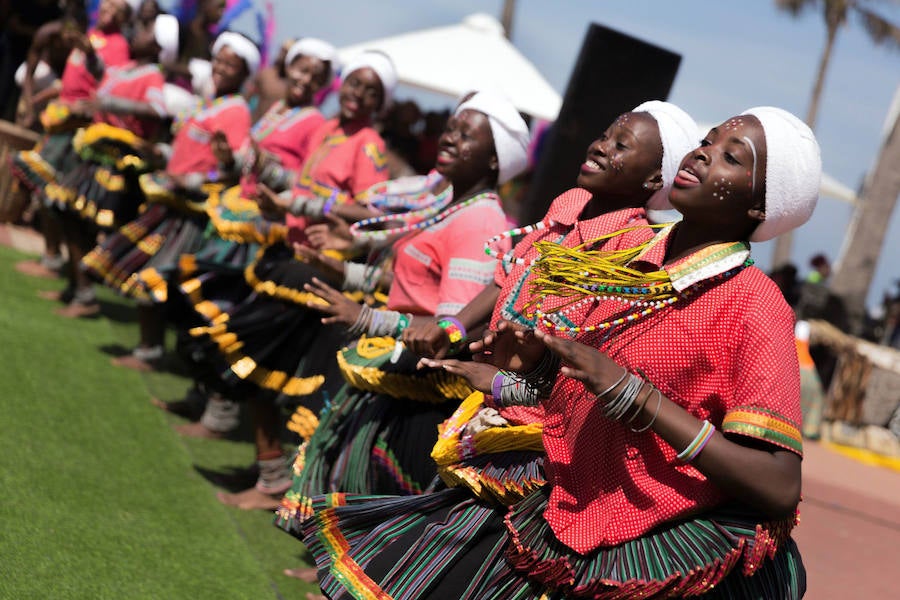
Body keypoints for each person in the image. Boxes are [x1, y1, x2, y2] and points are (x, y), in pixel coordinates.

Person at [331, 107, 818, 599]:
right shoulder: (629, 255)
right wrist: (535, 368)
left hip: (649, 537)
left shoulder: (755, 304)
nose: (703, 153)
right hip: (567, 493)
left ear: (761, 208)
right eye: (708, 141)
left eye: (730, 157)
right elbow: (585, 385)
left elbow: (779, 484)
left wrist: (636, 397)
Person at [278, 100, 702, 591]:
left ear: (654, 182)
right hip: (486, 407)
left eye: (621, 145)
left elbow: (579, 360)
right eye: (606, 134)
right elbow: (506, 278)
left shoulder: (629, 252)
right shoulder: (567, 208)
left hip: (537, 442)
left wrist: (507, 380)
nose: (601, 146)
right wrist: (455, 329)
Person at [180, 51, 398, 510]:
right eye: (354, 84)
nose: (357, 95)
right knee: (258, 368)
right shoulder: (327, 129)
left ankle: (281, 482)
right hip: (288, 261)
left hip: (319, 276)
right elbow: (301, 183)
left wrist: (321, 217)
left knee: (263, 365)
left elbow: (375, 212)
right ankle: (270, 472)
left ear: (381, 104)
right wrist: (265, 174)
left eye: (370, 90)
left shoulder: (368, 144)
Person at [81, 31, 257, 367]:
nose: (221, 68)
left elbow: (233, 170)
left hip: (194, 211)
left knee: (157, 275)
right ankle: (152, 348)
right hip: (170, 200)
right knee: (145, 269)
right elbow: (184, 150)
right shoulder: (206, 103)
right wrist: (158, 153)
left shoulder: (236, 112)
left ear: (244, 74)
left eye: (231, 65)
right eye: (219, 59)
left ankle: (155, 352)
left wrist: (194, 179)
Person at [44, 13, 179, 318]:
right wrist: (89, 53)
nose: (139, 33)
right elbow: (101, 74)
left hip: (117, 163)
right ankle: (76, 288)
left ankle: (84, 292)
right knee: (66, 212)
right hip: (94, 154)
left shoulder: (152, 75)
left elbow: (158, 109)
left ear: (158, 46)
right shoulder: (123, 68)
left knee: (69, 211)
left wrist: (110, 105)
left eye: (147, 31)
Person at [10, 0, 132, 280]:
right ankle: (54, 259)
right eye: (106, 4)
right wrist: (43, 98)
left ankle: (57, 262)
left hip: (78, 130)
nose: (107, 9)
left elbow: (107, 85)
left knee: (50, 189)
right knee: (44, 188)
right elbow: (72, 83)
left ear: (124, 17)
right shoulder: (90, 35)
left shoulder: (117, 46)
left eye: (117, 7)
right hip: (60, 120)